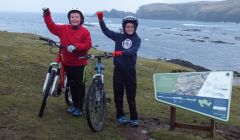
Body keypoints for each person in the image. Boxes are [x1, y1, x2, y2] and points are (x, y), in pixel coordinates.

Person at [42, 8, 92, 116]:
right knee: (71, 85)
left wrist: (75, 46)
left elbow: (88, 45)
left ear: (81, 19)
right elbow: (52, 26)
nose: (74, 19)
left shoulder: (85, 31)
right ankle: (74, 105)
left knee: (80, 86)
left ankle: (80, 108)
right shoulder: (63, 28)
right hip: (68, 63)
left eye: (77, 17)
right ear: (69, 19)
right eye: (72, 17)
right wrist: (47, 14)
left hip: (80, 64)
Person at [96, 11, 141, 127]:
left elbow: (133, 51)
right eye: (127, 26)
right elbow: (106, 31)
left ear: (135, 27)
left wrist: (121, 52)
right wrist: (101, 20)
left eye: (132, 26)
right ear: (124, 27)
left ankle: (134, 117)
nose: (129, 28)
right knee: (118, 94)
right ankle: (120, 115)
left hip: (130, 71)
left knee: (131, 95)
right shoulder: (119, 37)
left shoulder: (137, 39)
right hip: (118, 70)